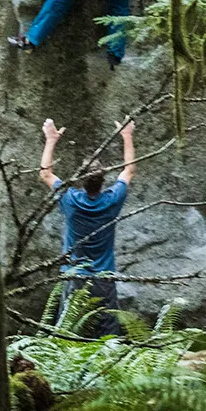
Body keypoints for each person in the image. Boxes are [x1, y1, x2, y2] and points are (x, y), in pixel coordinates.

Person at [39, 116, 136, 335]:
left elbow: (45, 173)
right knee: (108, 335)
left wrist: (51, 139)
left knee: (71, 332)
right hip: (104, 278)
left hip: (74, 276)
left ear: (80, 179)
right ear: (103, 181)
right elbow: (129, 171)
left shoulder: (70, 200)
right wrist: (127, 135)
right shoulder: (112, 200)